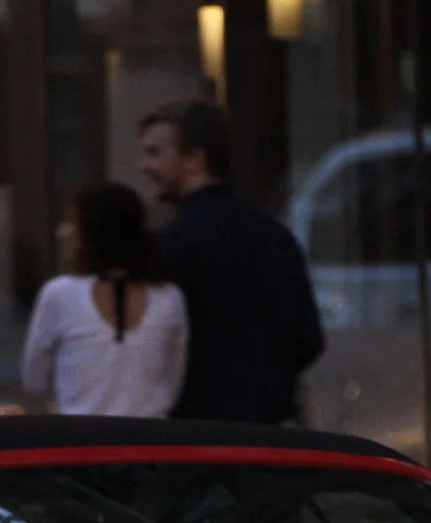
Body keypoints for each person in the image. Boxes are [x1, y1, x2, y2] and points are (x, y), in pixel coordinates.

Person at [136, 99, 324, 423]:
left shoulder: (166, 245)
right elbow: (309, 339)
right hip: (268, 430)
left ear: (194, 160)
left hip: (194, 430)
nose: (146, 166)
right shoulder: (276, 237)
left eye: (154, 153)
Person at [22, 183, 189, 417]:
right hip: (150, 434)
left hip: (83, 435)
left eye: (72, 222)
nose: (62, 232)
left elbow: (34, 379)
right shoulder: (169, 298)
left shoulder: (59, 294)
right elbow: (171, 384)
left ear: (94, 233)